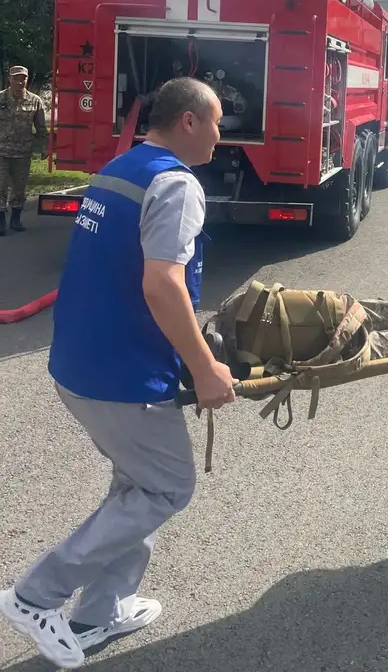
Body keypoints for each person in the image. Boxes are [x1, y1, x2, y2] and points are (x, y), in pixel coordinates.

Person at [0, 78, 236, 669]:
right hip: (121, 374)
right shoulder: (177, 184)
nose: (219, 133)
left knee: (136, 483)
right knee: (165, 486)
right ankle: (36, 596)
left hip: (79, 359)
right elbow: (162, 283)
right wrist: (205, 369)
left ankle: (101, 609)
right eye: (215, 121)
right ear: (187, 121)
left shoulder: (119, 168)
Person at [0, 64, 48, 234]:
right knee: (1, 187)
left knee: (19, 190)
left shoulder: (35, 101)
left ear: (26, 79)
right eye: (16, 78)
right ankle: (1, 223)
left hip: (23, 153)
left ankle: (15, 220)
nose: (20, 82)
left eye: (23, 78)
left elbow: (41, 128)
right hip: (2, 152)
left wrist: (44, 147)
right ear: (9, 79)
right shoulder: (1, 99)